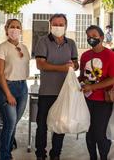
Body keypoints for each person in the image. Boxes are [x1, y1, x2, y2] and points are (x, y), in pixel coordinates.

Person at [34, 14, 79, 160]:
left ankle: (55, 155)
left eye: (61, 24)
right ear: (50, 25)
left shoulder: (71, 43)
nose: (58, 27)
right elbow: (40, 64)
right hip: (46, 92)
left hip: (64, 92)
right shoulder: (43, 41)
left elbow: (75, 64)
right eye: (55, 24)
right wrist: (63, 68)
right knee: (42, 126)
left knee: (60, 126)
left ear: (66, 26)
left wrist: (74, 66)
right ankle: (40, 154)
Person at [79, 25, 114, 160]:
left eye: (94, 35)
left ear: (101, 37)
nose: (91, 38)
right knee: (89, 132)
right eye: (89, 36)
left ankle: (104, 157)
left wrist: (93, 88)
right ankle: (92, 157)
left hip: (103, 101)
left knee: (99, 133)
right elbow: (82, 76)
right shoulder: (85, 56)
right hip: (87, 100)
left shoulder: (110, 56)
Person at [0, 19, 30, 160]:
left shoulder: (24, 48)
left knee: (14, 123)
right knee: (9, 123)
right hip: (7, 87)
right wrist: (8, 94)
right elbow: (0, 73)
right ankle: (5, 156)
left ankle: (8, 151)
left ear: (21, 30)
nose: (15, 30)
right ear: (6, 29)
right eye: (12, 27)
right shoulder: (2, 48)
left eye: (18, 27)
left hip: (22, 87)